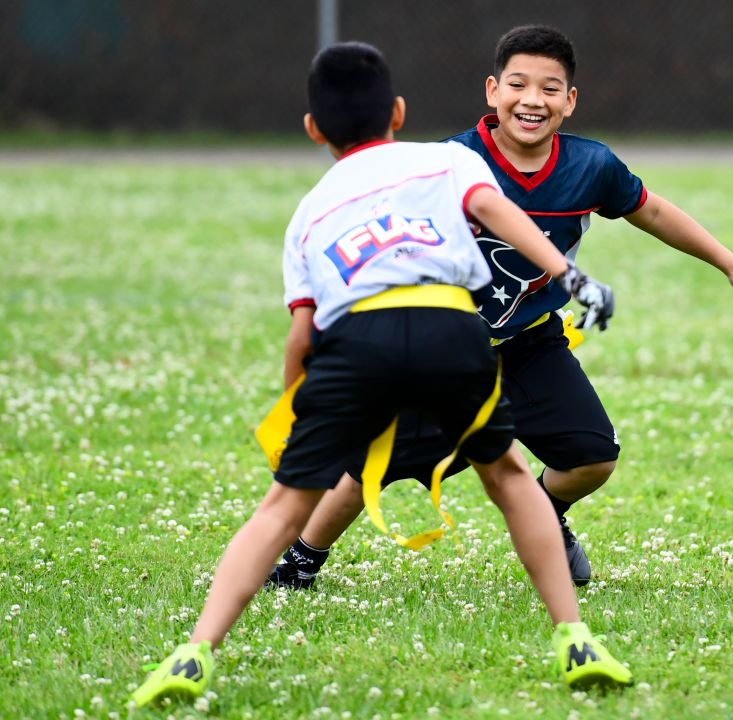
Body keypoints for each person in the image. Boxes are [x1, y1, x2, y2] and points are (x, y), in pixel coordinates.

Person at [128, 41, 632, 708]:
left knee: (284, 505)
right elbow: (496, 213)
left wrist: (293, 408)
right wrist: (569, 273)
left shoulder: (308, 211)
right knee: (510, 478)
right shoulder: (448, 159)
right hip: (451, 327)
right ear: (398, 111)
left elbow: (303, 331)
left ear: (313, 130)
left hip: (357, 341)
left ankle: (195, 651)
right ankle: (574, 638)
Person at [267, 24, 733, 590]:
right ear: (492, 90)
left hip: (529, 343)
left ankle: (544, 511)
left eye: (551, 88)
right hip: (444, 349)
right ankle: (302, 558)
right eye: (518, 84)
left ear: (570, 101)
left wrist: (732, 264)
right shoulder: (450, 162)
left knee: (592, 455)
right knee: (368, 470)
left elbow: (650, 211)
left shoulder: (591, 167)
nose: (533, 100)